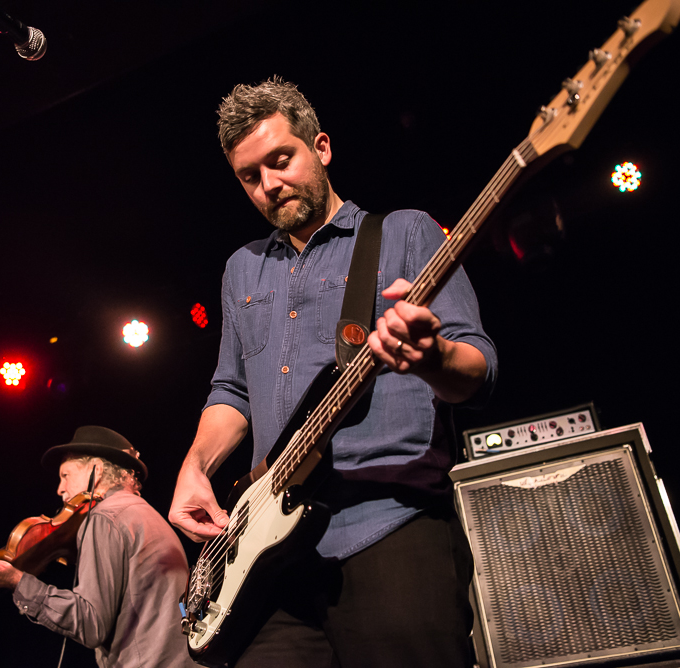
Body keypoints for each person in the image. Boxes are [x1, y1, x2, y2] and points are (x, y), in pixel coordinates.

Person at [168, 77, 498, 667]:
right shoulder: (241, 269)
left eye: (281, 159)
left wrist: (432, 357)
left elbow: (476, 367)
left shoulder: (404, 232)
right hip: (269, 557)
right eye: (251, 176)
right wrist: (195, 468)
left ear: (320, 147)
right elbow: (232, 390)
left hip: (387, 522)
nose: (270, 184)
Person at [0, 425, 196, 668]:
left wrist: (17, 580)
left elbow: (92, 624)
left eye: (65, 475)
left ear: (96, 470)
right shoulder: (145, 514)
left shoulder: (104, 517)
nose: (60, 489)